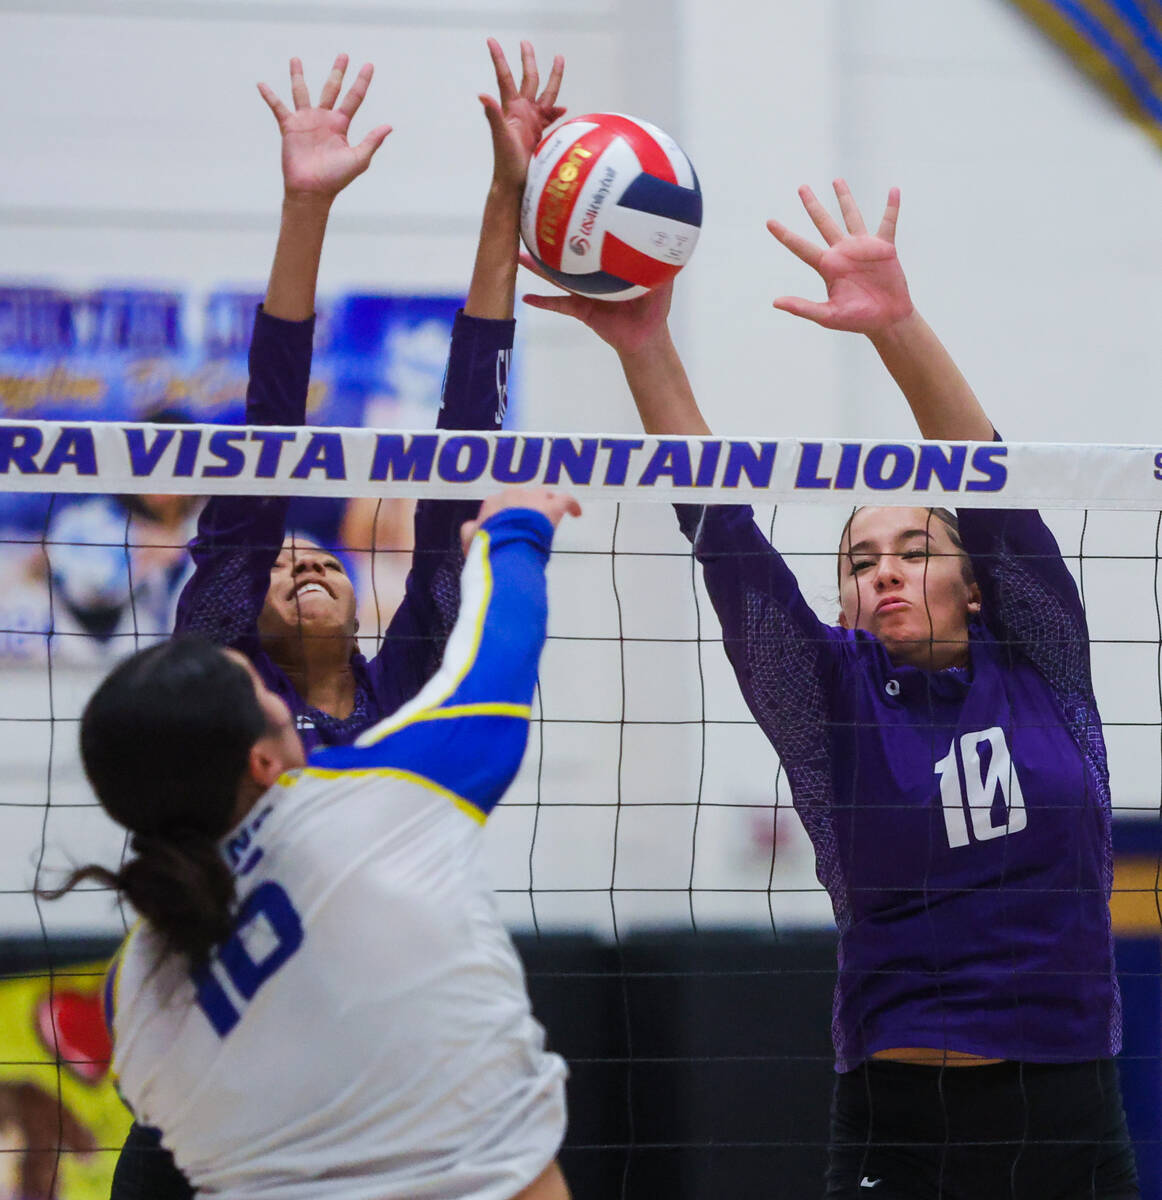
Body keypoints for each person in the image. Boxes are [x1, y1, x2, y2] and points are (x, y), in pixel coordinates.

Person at [522, 182, 1139, 1199]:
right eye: (858, 559)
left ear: (974, 586)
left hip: (1065, 1109)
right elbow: (721, 531)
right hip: (900, 1121)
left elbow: (984, 474)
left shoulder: (1043, 662)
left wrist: (894, 325)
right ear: (845, 600)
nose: (884, 569)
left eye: (914, 549)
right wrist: (643, 347)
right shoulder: (825, 702)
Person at [52, 485, 580, 1200]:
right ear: (263, 760)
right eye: (262, 695)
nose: (275, 693)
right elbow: (502, 656)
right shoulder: (380, 803)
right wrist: (515, 528)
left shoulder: (132, 996)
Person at [175, 39, 565, 750]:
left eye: (321, 559)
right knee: (264, 462)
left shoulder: (412, 685)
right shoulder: (226, 684)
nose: (310, 562)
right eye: (283, 562)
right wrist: (305, 206)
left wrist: (509, 191)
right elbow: (269, 436)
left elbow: (465, 453)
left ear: (362, 614)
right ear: (238, 607)